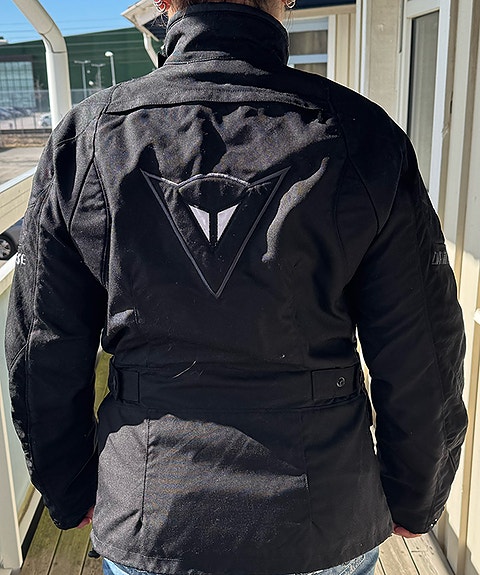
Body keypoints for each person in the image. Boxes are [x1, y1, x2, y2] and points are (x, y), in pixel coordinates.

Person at [6, 0, 467, 574]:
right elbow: (422, 348)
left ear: (165, 2)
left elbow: (41, 346)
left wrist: (69, 488)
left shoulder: (91, 138)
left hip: (153, 511)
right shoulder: (361, 135)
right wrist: (416, 493)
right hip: (324, 513)